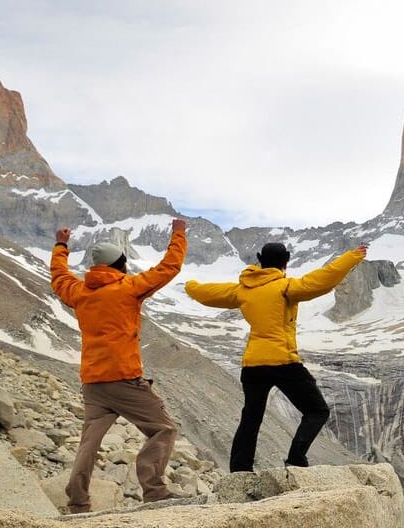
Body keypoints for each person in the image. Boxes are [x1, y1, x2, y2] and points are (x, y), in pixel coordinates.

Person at [185, 241, 367, 472]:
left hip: (252, 365)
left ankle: (240, 470)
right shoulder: (287, 286)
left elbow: (209, 293)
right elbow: (324, 278)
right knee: (317, 410)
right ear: (286, 262)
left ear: (260, 259)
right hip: (284, 362)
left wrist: (190, 286)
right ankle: (296, 459)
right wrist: (352, 256)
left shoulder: (243, 289)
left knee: (251, 418)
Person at [50, 219, 187, 513]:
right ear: (121, 263)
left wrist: (61, 246)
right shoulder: (129, 288)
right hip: (124, 379)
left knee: (90, 441)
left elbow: (59, 278)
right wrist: (178, 235)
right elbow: (168, 268)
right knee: (163, 428)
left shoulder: (79, 292)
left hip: (93, 382)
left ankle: (77, 500)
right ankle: (154, 489)